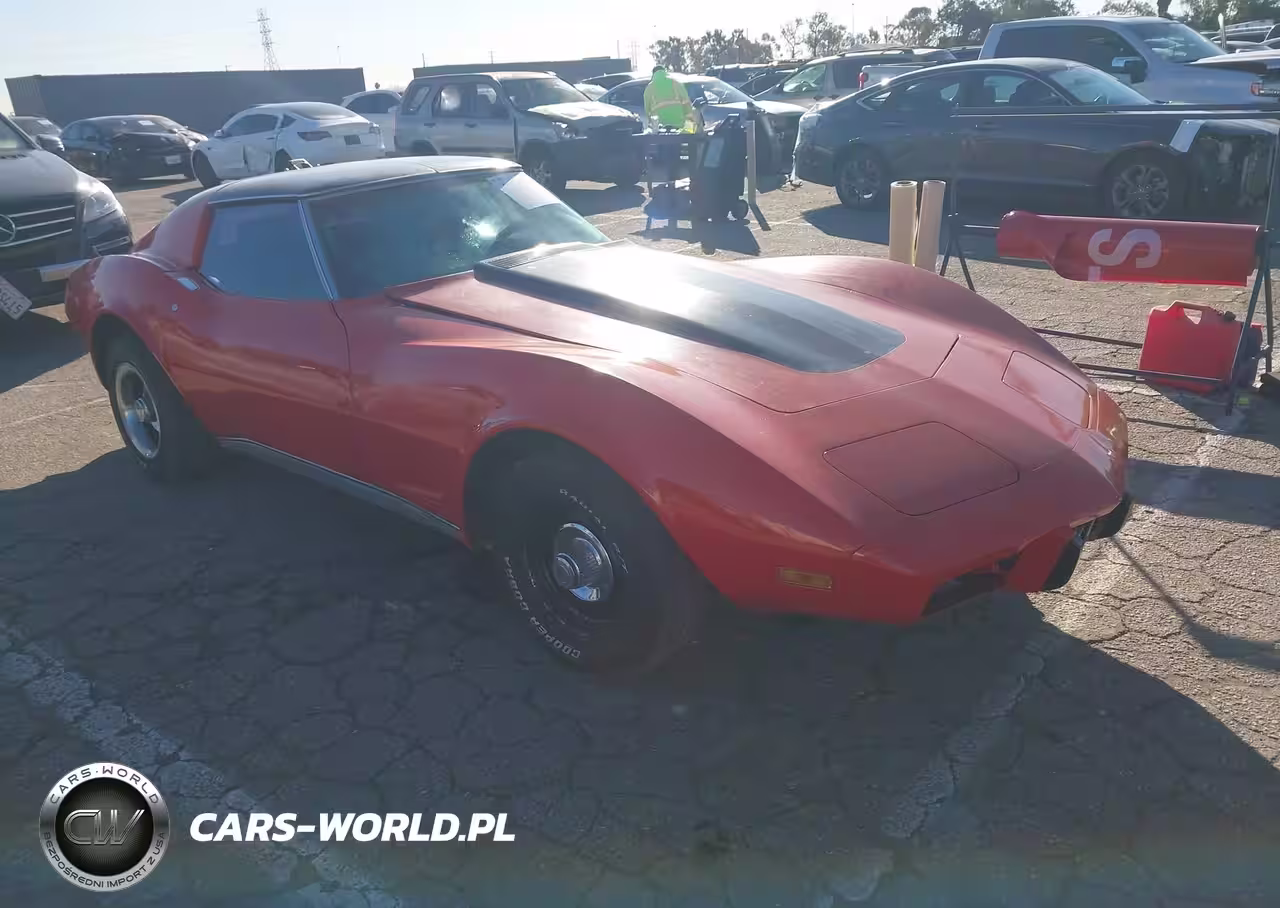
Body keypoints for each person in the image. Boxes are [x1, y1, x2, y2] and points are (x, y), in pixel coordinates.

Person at [643, 66, 698, 134]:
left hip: (660, 129)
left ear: (653, 74)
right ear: (665, 72)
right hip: (679, 126)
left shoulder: (649, 88)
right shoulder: (676, 83)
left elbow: (647, 111)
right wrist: (689, 128)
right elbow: (687, 105)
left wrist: (652, 126)